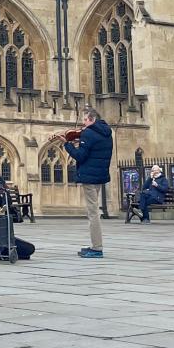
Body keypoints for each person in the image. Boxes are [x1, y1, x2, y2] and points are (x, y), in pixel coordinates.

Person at [56, 106, 114, 258]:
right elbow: (93, 152)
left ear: (92, 119)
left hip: (89, 176)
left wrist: (67, 144)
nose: (83, 123)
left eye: (85, 119)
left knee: (93, 213)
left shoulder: (88, 133)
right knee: (94, 210)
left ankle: (97, 248)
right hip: (100, 175)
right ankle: (96, 245)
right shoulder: (107, 133)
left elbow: (80, 156)